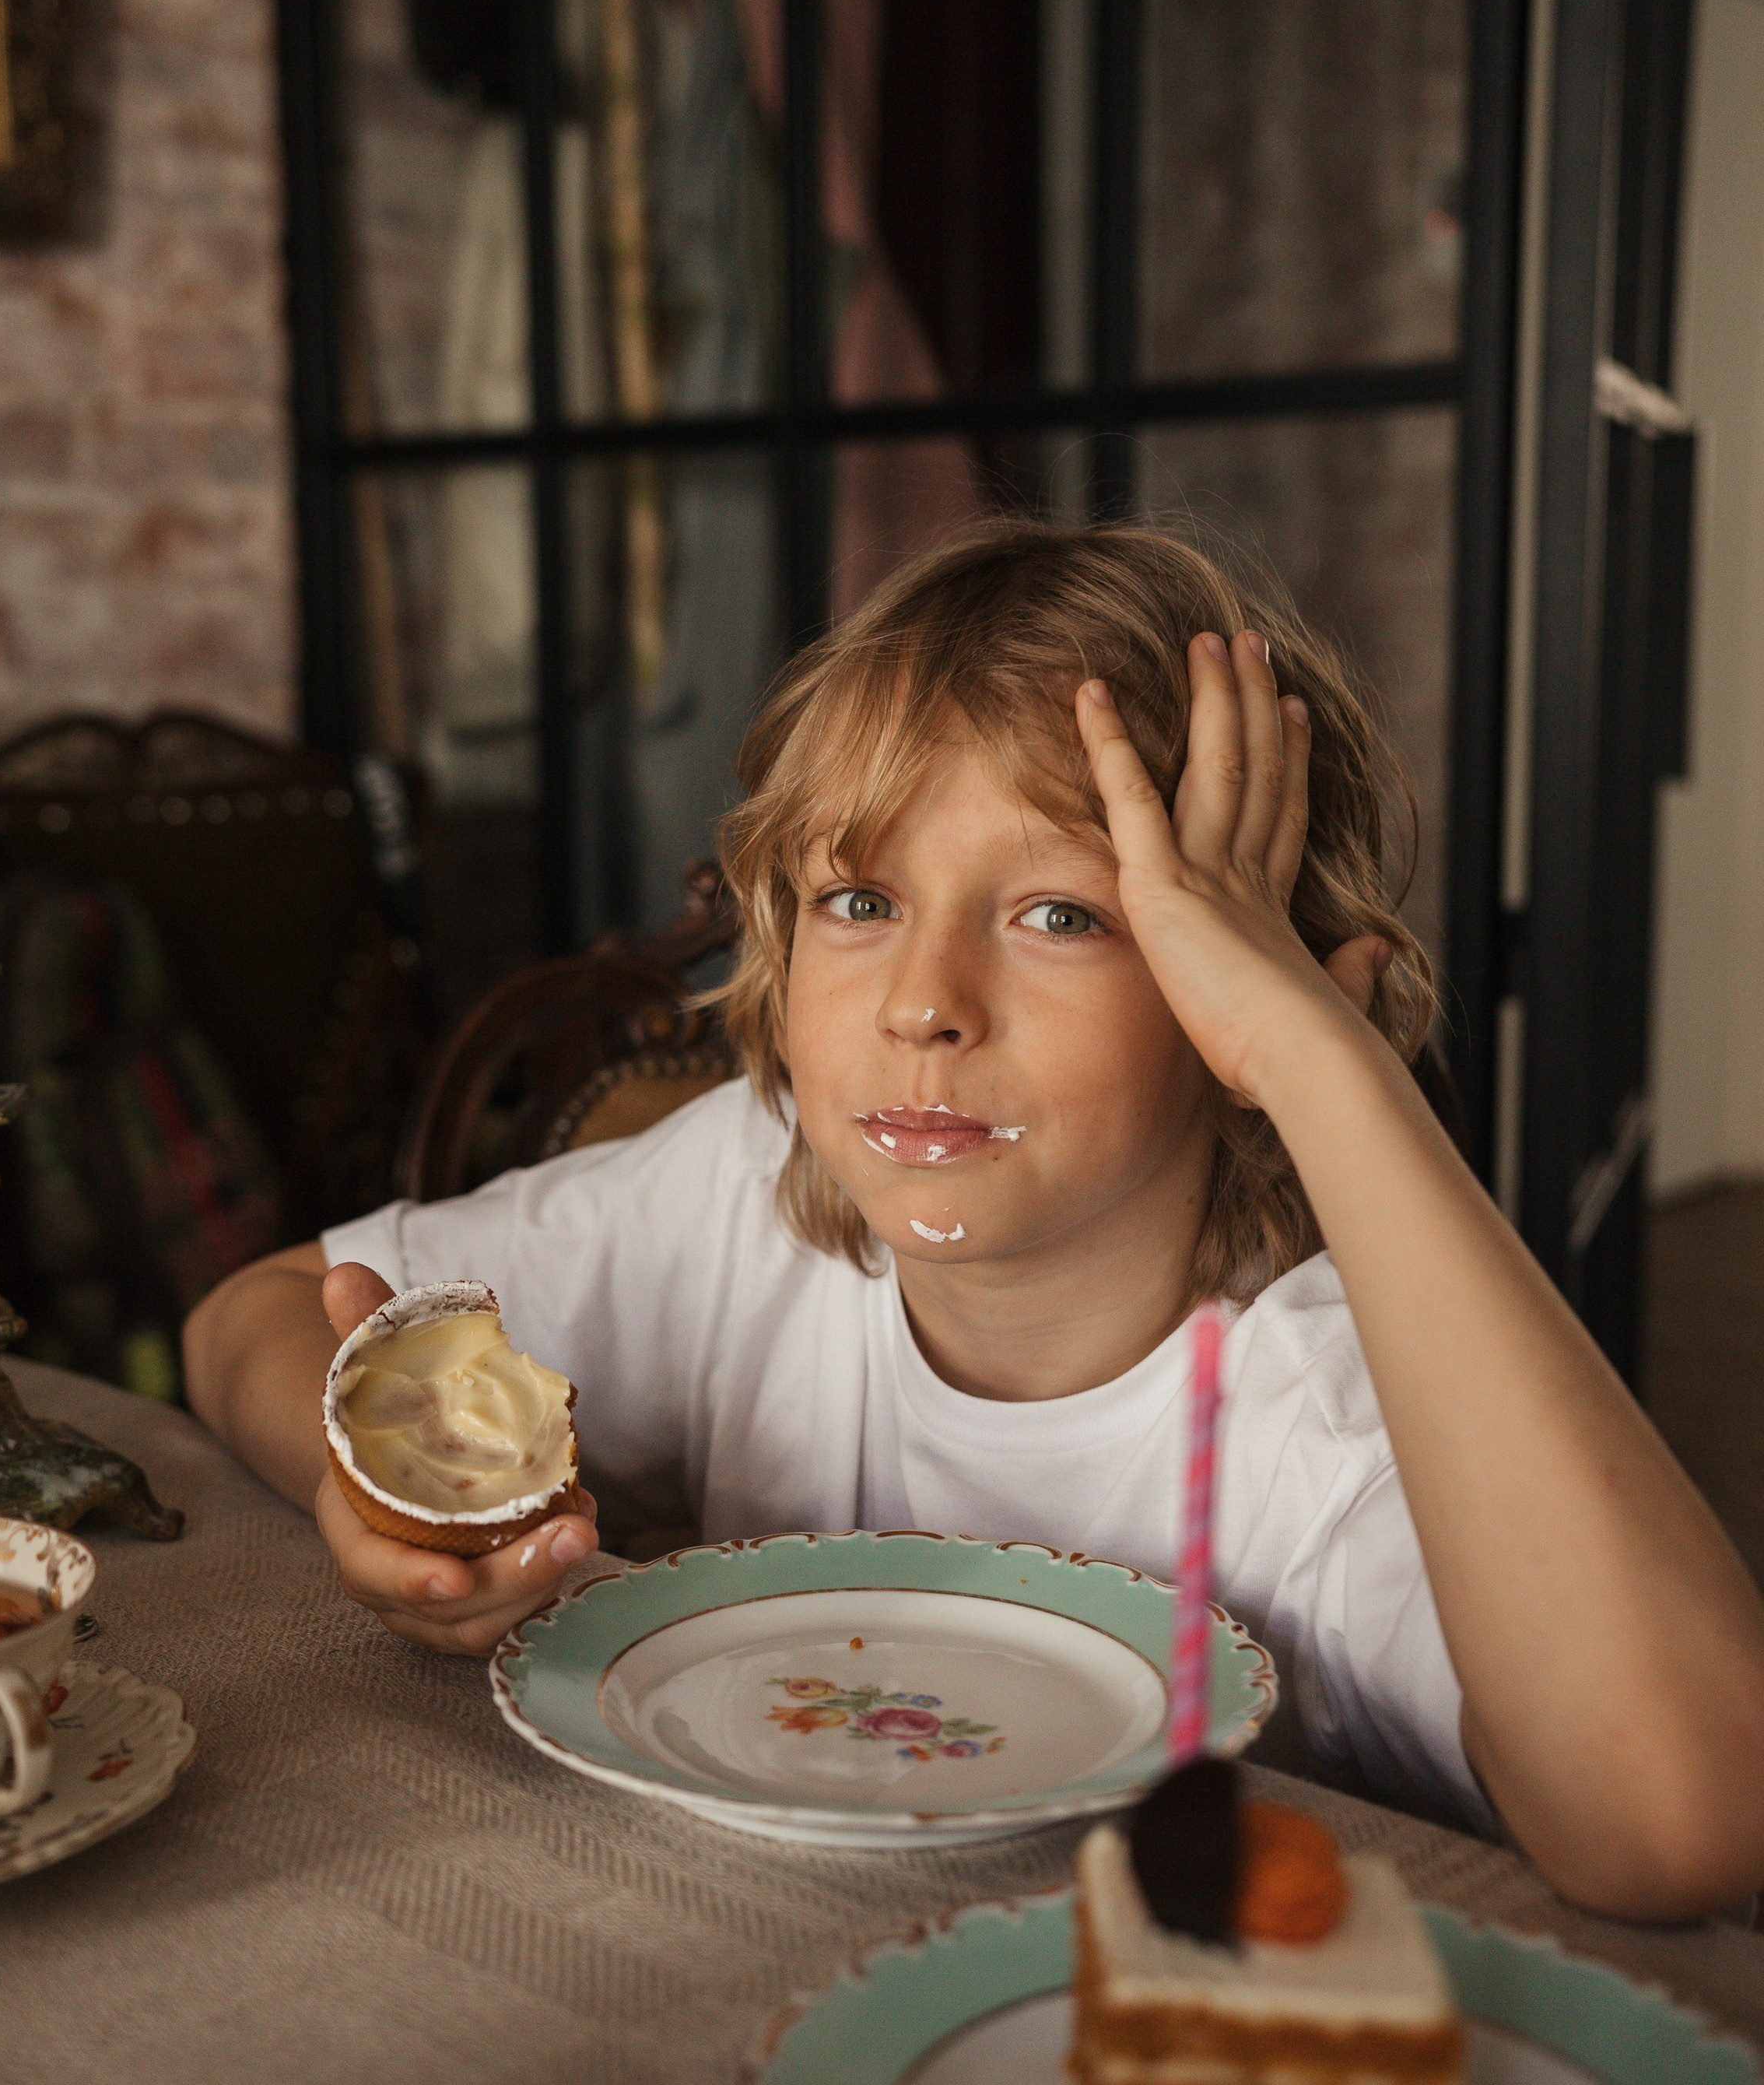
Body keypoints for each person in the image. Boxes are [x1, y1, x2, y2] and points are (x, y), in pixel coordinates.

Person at [184, 518, 1764, 1922]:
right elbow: (248, 1316)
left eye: (1062, 915)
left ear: (1259, 999)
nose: (926, 1004)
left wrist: (1320, 1073)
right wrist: (368, 1496)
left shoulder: (1323, 1421)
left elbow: (1683, 1822)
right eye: (859, 903)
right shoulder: (741, 1199)